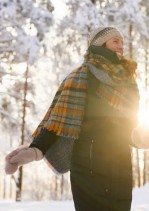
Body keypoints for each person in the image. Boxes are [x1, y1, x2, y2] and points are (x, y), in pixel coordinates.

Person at [5, 26, 140, 211]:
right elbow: (58, 119)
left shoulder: (129, 82)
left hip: (121, 165)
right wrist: (37, 148)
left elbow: (132, 127)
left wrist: (141, 137)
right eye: (115, 41)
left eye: (122, 42)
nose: (121, 46)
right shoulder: (81, 76)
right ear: (100, 43)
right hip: (88, 167)